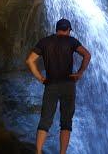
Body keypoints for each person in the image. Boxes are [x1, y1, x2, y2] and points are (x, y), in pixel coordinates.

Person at [26, 18, 91, 154]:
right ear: (68, 30)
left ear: (56, 29)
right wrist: (79, 72)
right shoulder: (71, 41)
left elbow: (30, 61)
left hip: (51, 85)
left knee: (45, 121)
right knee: (66, 123)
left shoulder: (44, 42)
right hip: (68, 84)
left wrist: (41, 78)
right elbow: (87, 55)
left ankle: (38, 152)